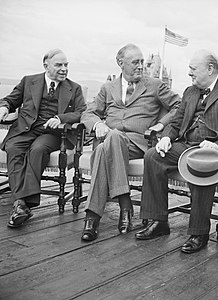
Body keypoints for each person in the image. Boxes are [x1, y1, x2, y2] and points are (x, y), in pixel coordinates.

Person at [136, 49, 218, 254]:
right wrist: (166, 137)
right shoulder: (189, 92)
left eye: (193, 69)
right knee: (153, 156)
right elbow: (176, 122)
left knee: (201, 164)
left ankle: (199, 232)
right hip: (187, 144)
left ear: (210, 69)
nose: (189, 73)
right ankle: (159, 221)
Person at [80, 43, 181, 241]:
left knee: (110, 139)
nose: (141, 66)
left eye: (142, 62)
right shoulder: (108, 88)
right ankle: (118, 207)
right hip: (111, 141)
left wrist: (161, 124)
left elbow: (179, 105)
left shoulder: (154, 85)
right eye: (135, 62)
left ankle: (94, 217)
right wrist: (97, 125)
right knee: (106, 146)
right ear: (120, 63)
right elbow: (88, 112)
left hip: (138, 143)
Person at [0, 49, 87, 228]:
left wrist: (60, 119)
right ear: (46, 66)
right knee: (14, 148)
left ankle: (21, 203)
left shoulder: (74, 87)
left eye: (66, 65)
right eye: (59, 65)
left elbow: (81, 112)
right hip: (25, 129)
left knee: (38, 150)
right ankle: (21, 205)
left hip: (53, 133)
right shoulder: (28, 81)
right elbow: (11, 100)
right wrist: (4, 107)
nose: (64, 69)